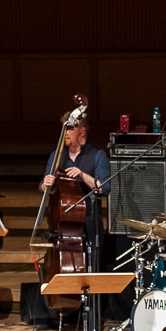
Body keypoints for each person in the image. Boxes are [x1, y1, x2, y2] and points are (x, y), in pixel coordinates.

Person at [40, 110, 112, 268]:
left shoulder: (97, 155)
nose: (65, 133)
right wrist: (46, 183)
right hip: (61, 223)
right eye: (64, 129)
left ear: (82, 131)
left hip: (88, 222)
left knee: (91, 264)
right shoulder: (56, 156)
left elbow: (105, 188)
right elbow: (43, 187)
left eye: (69, 128)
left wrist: (82, 175)